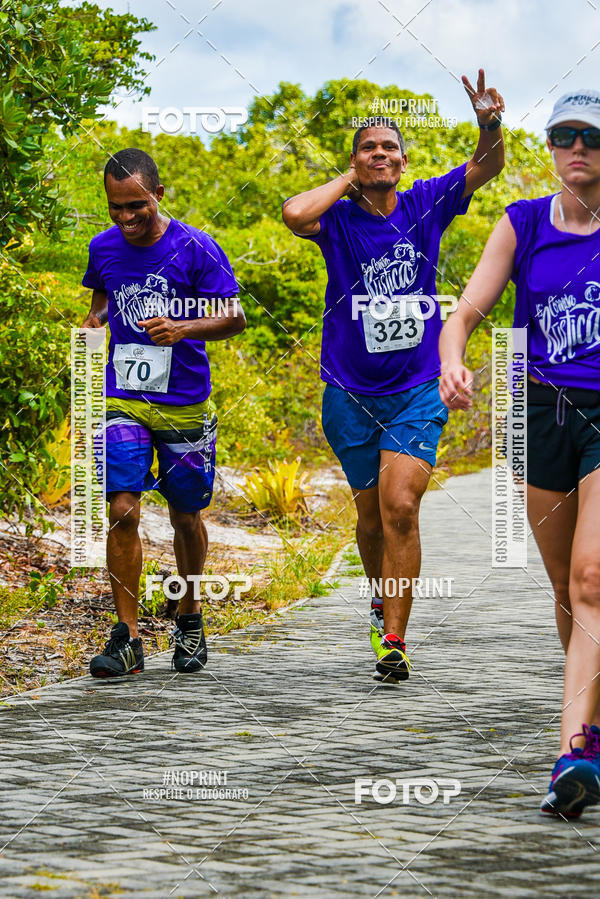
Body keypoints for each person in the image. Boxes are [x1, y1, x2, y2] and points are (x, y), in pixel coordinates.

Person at [282, 71, 505, 682]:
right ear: (355, 161)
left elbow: (487, 166)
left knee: (400, 504)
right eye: (367, 149)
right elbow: (293, 212)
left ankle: (395, 640)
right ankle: (380, 600)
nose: (379, 154)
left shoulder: (426, 202)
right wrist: (348, 183)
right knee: (370, 518)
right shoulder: (338, 219)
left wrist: (489, 122)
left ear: (404, 162)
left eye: (388, 149)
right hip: (349, 394)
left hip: (414, 388)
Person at [439, 89, 600, 816]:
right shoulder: (523, 221)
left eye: (591, 137)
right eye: (564, 135)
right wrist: (454, 359)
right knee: (567, 591)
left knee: (593, 579)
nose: (577, 148)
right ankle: (592, 717)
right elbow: (467, 309)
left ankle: (573, 750)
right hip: (541, 413)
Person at [81, 147, 245, 678]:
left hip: (184, 401)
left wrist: (184, 328)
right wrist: (94, 321)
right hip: (123, 395)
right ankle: (127, 636)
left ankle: (191, 616)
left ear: (158, 194)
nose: (126, 218)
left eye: (136, 206)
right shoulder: (102, 247)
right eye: (115, 208)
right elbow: (103, 299)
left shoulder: (196, 247)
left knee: (184, 514)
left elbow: (234, 317)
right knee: (122, 507)